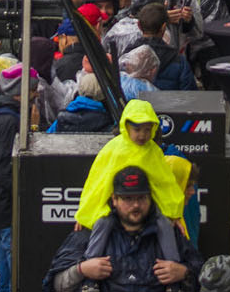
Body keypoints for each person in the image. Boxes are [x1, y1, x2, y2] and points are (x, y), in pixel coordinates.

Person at [44, 164, 193, 292]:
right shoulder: (89, 234)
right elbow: (56, 285)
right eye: (128, 198)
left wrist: (184, 273)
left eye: (141, 198)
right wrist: (81, 269)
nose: (135, 205)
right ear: (114, 199)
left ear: (150, 198)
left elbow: (206, 278)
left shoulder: (169, 233)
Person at [77, 100, 188, 229]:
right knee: (102, 227)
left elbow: (165, 183)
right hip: (116, 210)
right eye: (137, 129)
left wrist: (173, 214)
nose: (142, 135)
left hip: (148, 211)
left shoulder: (153, 151)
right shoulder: (114, 149)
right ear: (126, 126)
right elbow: (98, 184)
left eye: (147, 130)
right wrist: (86, 214)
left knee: (165, 227)